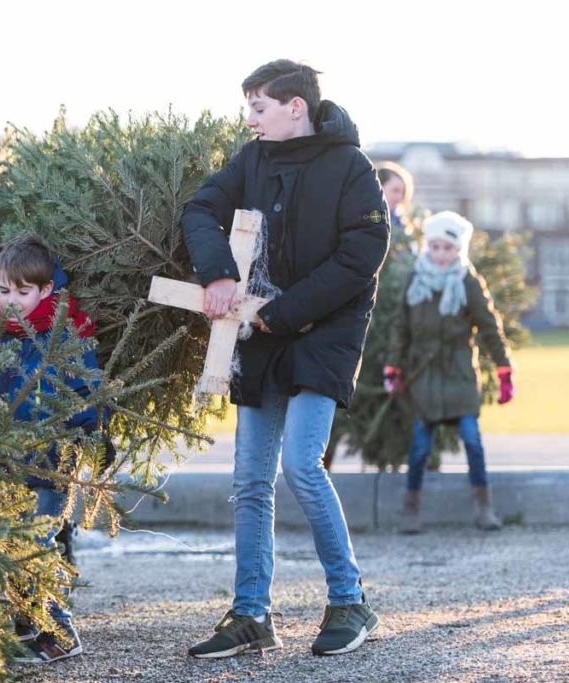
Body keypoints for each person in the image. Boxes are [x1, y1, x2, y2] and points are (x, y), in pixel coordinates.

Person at [181, 59, 388, 658]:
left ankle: (350, 602)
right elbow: (200, 209)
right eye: (249, 107)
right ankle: (251, 616)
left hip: (324, 333)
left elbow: (361, 256)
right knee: (250, 479)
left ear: (295, 106)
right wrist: (218, 274)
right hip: (260, 335)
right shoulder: (252, 160)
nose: (250, 119)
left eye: (259, 107)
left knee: (301, 464)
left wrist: (285, 310)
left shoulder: (352, 167)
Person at [0, 235, 104, 664]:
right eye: (3, 290)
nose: (11, 301)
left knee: (38, 543)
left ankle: (59, 631)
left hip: (52, 462)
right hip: (5, 460)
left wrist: (86, 436)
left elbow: (88, 389)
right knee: (8, 543)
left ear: (46, 290)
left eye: (22, 292)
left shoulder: (67, 331)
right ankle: (25, 629)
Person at [384, 211, 513, 533]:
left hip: (458, 375)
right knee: (419, 447)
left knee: (472, 440)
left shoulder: (467, 281)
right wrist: (393, 367)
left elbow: (488, 326)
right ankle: (410, 510)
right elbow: (401, 327)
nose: (441, 254)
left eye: (448, 248)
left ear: (458, 250)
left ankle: (485, 507)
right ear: (428, 247)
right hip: (423, 377)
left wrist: (503, 369)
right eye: (435, 247)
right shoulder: (416, 280)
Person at [377, 161, 418, 258]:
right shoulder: (363, 219)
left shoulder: (403, 224)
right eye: (395, 190)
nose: (400, 197)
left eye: (402, 192)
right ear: (379, 187)